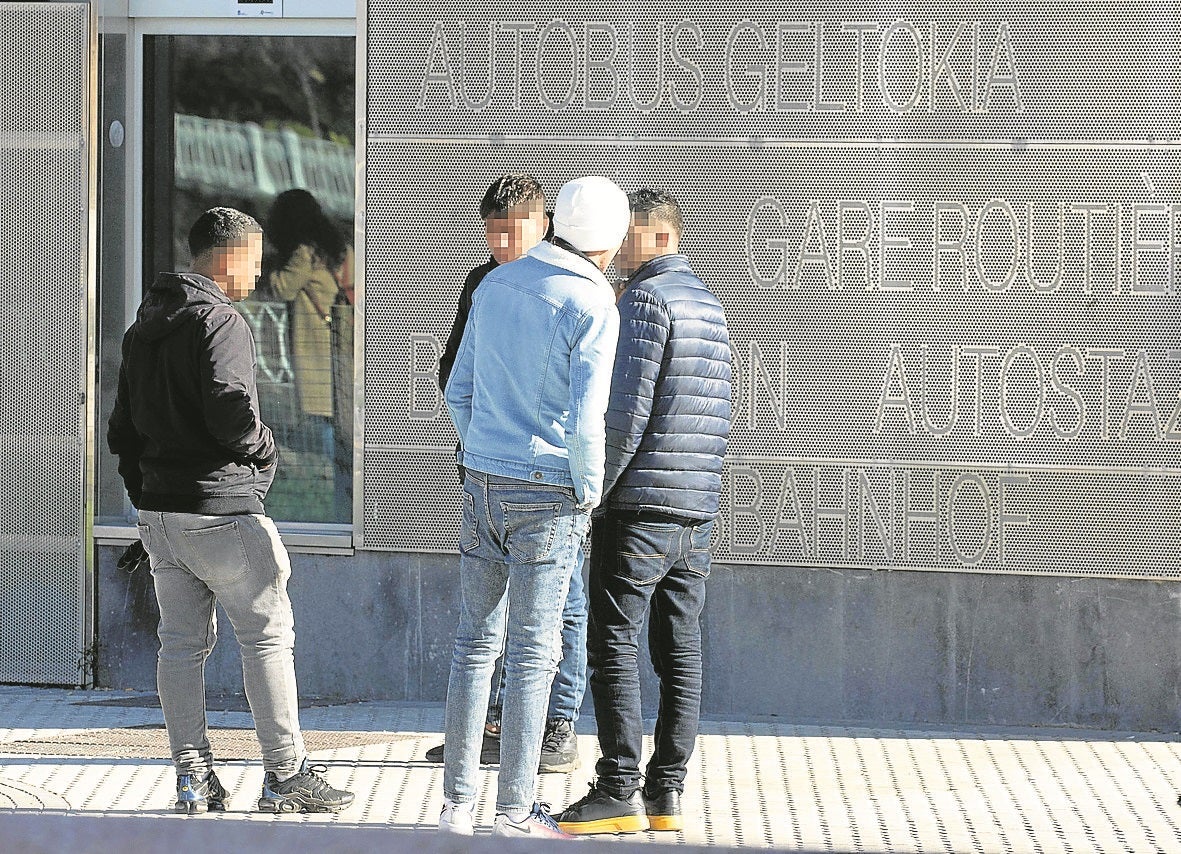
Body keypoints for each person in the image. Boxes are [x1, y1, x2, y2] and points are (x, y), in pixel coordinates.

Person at [107, 207, 354, 815]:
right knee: (267, 637)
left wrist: (146, 502)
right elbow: (229, 407)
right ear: (229, 258)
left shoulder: (144, 328)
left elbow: (121, 430)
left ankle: (193, 778)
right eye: (255, 258)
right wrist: (264, 448)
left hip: (162, 516)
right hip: (221, 508)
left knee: (180, 645)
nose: (260, 270)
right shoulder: (221, 321)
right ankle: (285, 775)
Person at [438, 176, 629, 838]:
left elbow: (456, 390)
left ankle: (455, 807)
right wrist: (587, 485)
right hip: (546, 491)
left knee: (473, 644)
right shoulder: (593, 302)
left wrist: (481, 449)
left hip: (481, 480)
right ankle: (514, 810)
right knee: (532, 653)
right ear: (610, 240)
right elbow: (586, 420)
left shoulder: (495, 283)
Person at [556, 189, 732, 835]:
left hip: (638, 510)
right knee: (680, 654)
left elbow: (624, 415)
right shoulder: (710, 305)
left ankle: (617, 789)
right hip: (694, 510)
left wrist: (593, 492)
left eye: (627, 234)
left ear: (657, 237)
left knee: (612, 644)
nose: (618, 246)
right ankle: (666, 794)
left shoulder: (646, 301)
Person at [427, 174, 584, 773]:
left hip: (551, 476)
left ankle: (558, 722)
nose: (497, 243)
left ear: (542, 224)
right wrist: (476, 445)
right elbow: (456, 373)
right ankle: (491, 725)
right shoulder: (484, 284)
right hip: (491, 472)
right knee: (486, 617)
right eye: (490, 231)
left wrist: (585, 474)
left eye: (508, 230)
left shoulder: (574, 285)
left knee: (560, 604)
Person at [261, 188, 353, 520]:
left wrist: (269, 268)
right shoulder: (339, 250)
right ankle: (347, 490)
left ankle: (339, 491)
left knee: (327, 422)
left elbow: (283, 287)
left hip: (318, 351)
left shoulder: (303, 253)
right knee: (341, 416)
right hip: (343, 347)